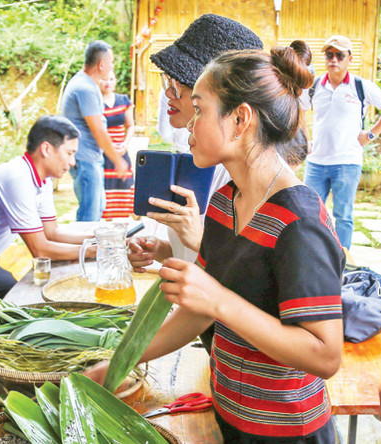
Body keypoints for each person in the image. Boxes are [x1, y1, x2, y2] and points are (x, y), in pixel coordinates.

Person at [89, 46, 345, 442]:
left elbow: (325, 355)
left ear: (240, 119)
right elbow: (198, 314)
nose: (189, 125)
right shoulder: (226, 202)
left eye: (199, 109)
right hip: (229, 415)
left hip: (286, 432)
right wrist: (118, 363)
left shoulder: (300, 222)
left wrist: (219, 300)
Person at [129, 14, 262, 264]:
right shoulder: (199, 157)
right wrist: (161, 250)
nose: (169, 93)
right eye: (168, 80)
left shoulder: (250, 180)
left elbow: (249, 277)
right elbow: (192, 254)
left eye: (180, 84)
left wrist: (198, 241)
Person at [0, 116, 93, 303]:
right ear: (46, 149)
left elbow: (52, 232)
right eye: (69, 153)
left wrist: (101, 239)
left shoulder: (43, 180)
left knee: (27, 289)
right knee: (17, 298)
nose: (73, 162)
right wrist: (94, 251)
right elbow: (41, 250)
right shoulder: (16, 178)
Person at [302, 35, 381, 249]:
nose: (333, 60)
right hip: (316, 163)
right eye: (329, 55)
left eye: (339, 55)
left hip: (347, 162)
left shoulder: (361, 86)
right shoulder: (314, 86)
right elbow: (300, 109)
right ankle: (314, 256)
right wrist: (305, 139)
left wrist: (371, 134)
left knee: (343, 215)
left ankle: (342, 259)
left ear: (350, 59)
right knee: (308, 213)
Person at [62, 40, 126, 221]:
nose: (112, 65)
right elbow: (98, 130)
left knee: (97, 209)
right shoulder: (85, 88)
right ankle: (82, 242)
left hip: (90, 157)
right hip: (85, 158)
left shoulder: (87, 84)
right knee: (89, 216)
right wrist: (117, 160)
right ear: (101, 64)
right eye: (111, 61)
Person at [99, 71, 135, 219]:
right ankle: (108, 223)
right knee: (107, 188)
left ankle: (125, 223)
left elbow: (130, 126)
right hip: (104, 153)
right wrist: (108, 147)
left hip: (122, 151)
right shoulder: (94, 103)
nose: (107, 82)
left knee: (125, 185)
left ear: (115, 81)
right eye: (104, 79)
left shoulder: (123, 100)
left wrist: (125, 144)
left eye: (111, 79)